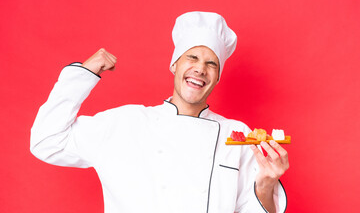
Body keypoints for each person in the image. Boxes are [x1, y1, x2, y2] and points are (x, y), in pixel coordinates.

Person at [30, 11, 289, 213]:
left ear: (217, 77)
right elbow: (46, 141)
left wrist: (266, 182)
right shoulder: (125, 123)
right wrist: (84, 73)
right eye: (192, 58)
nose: (201, 69)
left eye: (211, 63)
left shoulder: (237, 135)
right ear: (174, 65)